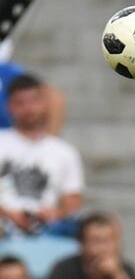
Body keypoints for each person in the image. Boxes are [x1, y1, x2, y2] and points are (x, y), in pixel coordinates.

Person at [0, 74, 83, 237]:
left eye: (34, 101)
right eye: (20, 103)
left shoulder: (64, 152)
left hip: (47, 230)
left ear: (45, 104)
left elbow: (73, 200)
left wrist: (55, 214)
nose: (28, 109)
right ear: (8, 106)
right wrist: (9, 215)